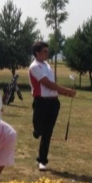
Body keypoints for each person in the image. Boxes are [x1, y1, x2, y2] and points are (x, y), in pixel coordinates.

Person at [29, 41, 76, 171]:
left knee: (47, 133)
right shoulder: (34, 67)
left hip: (53, 103)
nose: (47, 53)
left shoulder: (47, 66)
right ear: (37, 53)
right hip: (41, 102)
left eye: (47, 51)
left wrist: (64, 94)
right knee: (39, 129)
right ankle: (36, 131)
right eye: (44, 51)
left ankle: (42, 160)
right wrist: (67, 90)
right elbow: (47, 84)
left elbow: (53, 86)